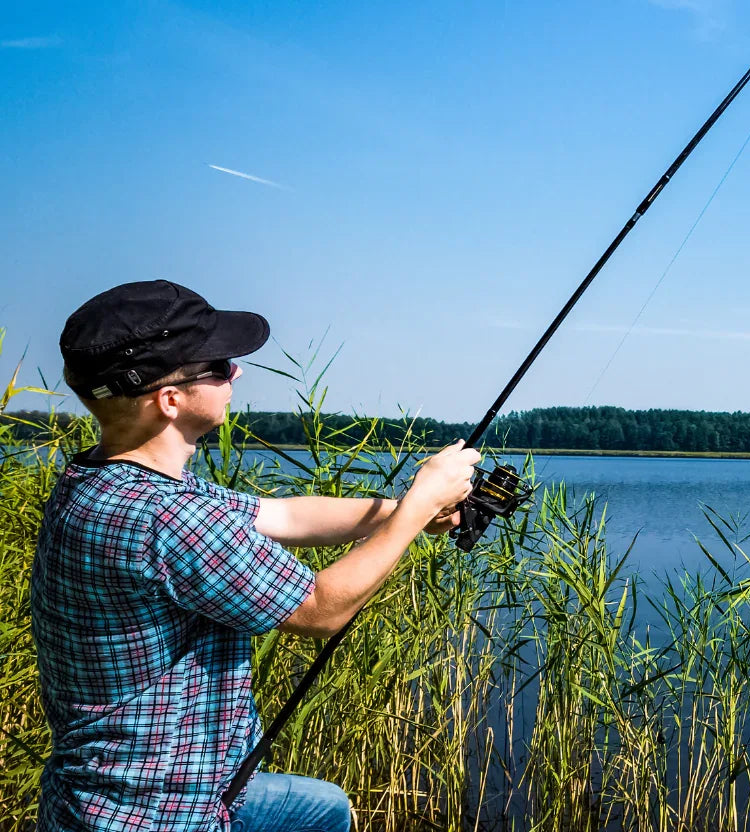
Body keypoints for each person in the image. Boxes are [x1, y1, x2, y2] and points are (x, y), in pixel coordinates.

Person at [30, 279, 480, 832]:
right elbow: (320, 609)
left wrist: (402, 509)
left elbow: (283, 516)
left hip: (140, 786)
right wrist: (416, 511)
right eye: (218, 365)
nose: (235, 373)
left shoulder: (103, 478)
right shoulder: (168, 518)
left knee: (324, 810)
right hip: (157, 808)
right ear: (169, 400)